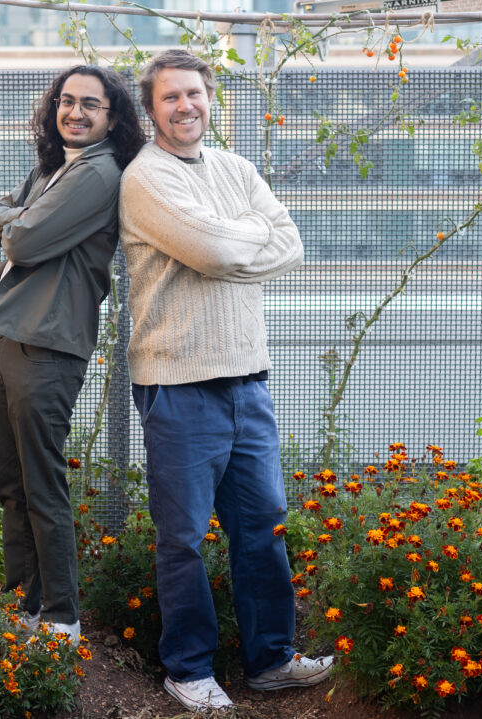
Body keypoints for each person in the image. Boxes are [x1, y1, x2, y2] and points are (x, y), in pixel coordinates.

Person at [119, 49, 333, 711]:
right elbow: (213, 250)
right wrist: (241, 241)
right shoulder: (146, 177)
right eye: (170, 97)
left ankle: (270, 659)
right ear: (152, 109)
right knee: (183, 535)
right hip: (179, 384)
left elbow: (290, 244)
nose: (185, 106)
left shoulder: (236, 169)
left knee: (263, 525)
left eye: (194, 93)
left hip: (248, 380)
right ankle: (187, 668)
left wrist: (227, 243)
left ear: (210, 98)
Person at [0, 66, 145, 642]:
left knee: (42, 486)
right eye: (66, 100)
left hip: (47, 345)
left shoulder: (99, 172)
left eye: (91, 103)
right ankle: (24, 607)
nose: (75, 112)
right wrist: (19, 221)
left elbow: (21, 239)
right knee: (11, 486)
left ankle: (62, 618)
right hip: (3, 335)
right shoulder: (53, 165)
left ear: (113, 117)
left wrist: (19, 225)